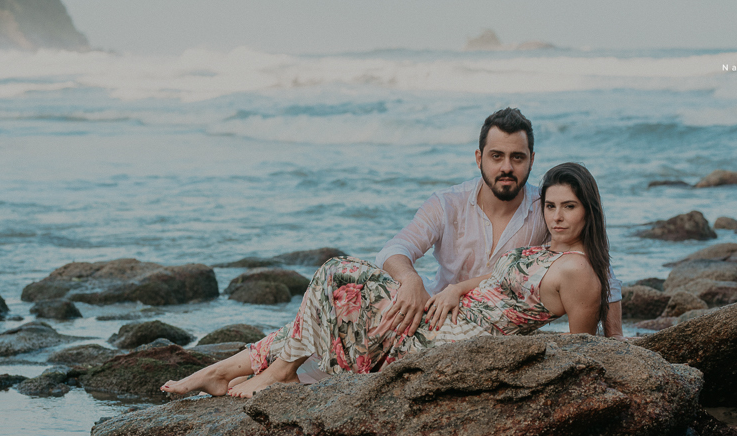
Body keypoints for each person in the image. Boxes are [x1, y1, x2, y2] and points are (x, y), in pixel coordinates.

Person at [161, 162, 610, 399]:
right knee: (339, 300)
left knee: (338, 274)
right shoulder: (547, 250)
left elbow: (579, 351)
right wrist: (454, 288)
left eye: (568, 207)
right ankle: (222, 373)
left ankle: (277, 370)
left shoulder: (578, 272)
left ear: (588, 209)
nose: (556, 216)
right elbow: (494, 276)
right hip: (443, 315)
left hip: (453, 343)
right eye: (551, 206)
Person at [375, 107, 623, 341]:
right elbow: (395, 249)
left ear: (531, 160)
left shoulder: (547, 207)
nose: (507, 167)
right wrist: (410, 280)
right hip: (438, 314)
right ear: (479, 158)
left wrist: (616, 341)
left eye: (517, 157)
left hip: (502, 331)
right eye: (497, 156)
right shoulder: (448, 203)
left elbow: (598, 271)